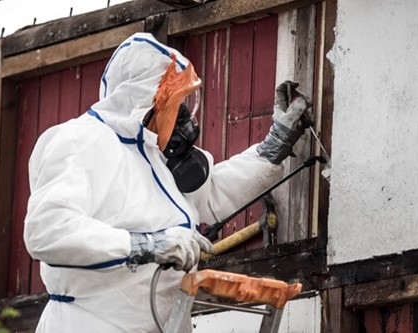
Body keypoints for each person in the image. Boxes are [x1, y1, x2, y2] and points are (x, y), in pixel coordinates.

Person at [23, 32, 312, 333]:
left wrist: (273, 147)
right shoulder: (82, 141)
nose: (185, 116)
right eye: (179, 103)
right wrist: (148, 245)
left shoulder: (153, 155)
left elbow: (211, 194)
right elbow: (47, 229)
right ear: (148, 99)